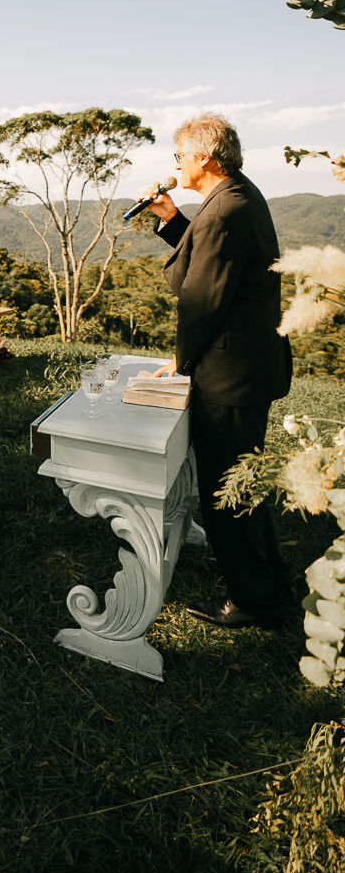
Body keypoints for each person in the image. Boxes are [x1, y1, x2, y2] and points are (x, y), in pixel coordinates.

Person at [145, 112, 294, 629]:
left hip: (231, 376)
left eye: (179, 155)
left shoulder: (225, 209)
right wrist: (171, 220)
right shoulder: (236, 196)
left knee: (225, 493)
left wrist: (181, 360)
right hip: (248, 368)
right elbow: (214, 261)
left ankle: (255, 601)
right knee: (244, 485)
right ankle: (269, 578)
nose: (176, 164)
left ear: (204, 157)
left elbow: (200, 299)